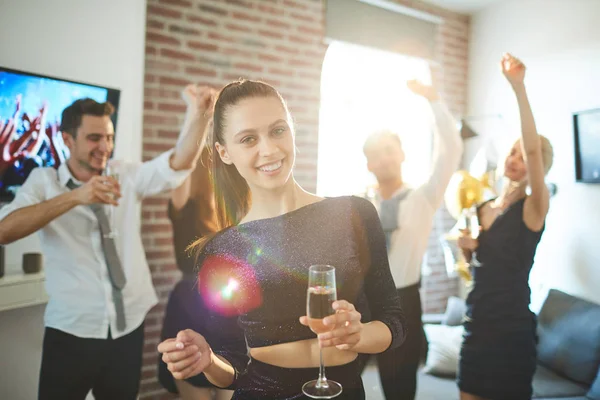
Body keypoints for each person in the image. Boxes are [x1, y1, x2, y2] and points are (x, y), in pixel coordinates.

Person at [157, 79, 406, 400]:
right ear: (224, 152)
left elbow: (394, 321)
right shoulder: (223, 249)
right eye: (248, 139)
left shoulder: (354, 213)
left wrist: (358, 335)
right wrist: (207, 360)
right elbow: (232, 367)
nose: (269, 149)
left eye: (277, 131)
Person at [0, 85, 210, 400]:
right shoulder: (44, 181)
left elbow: (178, 164)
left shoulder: (125, 174)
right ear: (67, 139)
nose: (105, 147)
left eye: (109, 137)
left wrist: (200, 116)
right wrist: (76, 196)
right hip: (71, 332)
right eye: (94, 138)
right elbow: (5, 230)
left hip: (128, 330)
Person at [457, 53, 554, 400]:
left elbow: (532, 146)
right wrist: (467, 252)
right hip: (477, 324)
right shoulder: (482, 207)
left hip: (512, 330)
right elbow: (480, 270)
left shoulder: (534, 207)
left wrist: (518, 87)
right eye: (512, 153)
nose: (517, 159)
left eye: (525, 156)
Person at [360, 79, 463, 399]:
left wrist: (434, 101)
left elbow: (452, 149)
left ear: (402, 154)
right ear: (368, 164)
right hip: (359, 301)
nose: (384, 159)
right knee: (339, 380)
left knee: (399, 388)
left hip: (401, 303)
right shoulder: (360, 203)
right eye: (376, 155)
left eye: (389, 151)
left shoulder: (424, 197)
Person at [157, 104, 235, 399]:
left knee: (230, 392)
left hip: (228, 306)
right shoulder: (184, 205)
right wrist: (197, 117)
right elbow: (181, 168)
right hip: (190, 305)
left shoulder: (232, 211)